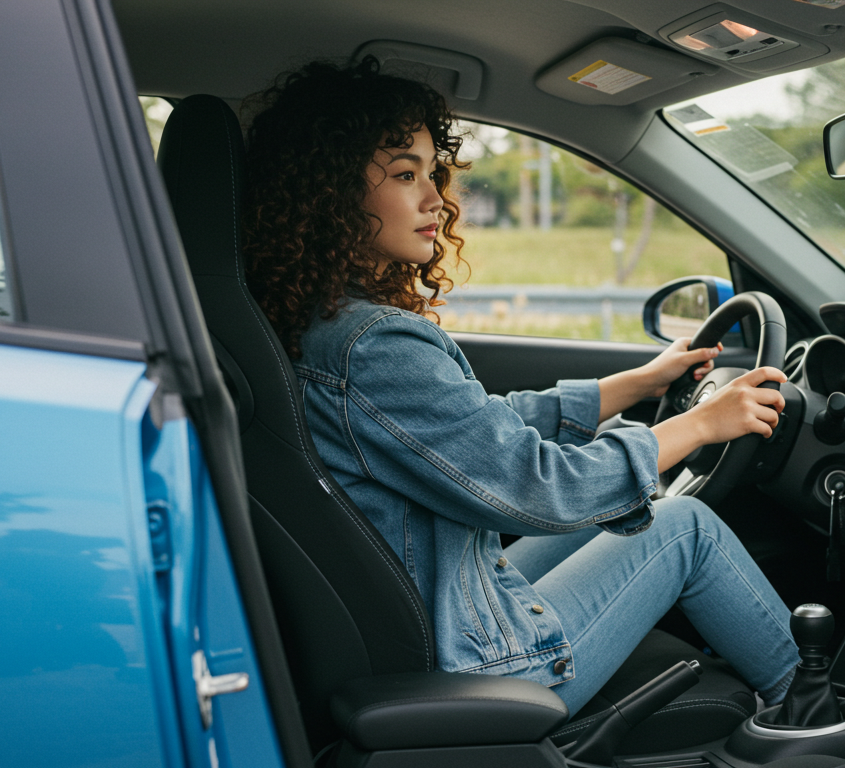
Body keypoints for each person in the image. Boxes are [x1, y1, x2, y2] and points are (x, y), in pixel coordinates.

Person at [243, 59, 799, 716]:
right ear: (332, 194)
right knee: (685, 527)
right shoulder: (374, 344)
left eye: (432, 172)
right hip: (469, 663)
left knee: (644, 509)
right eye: (405, 174)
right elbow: (533, 487)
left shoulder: (315, 325)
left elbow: (471, 431)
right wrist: (700, 424)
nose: (435, 198)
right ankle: (814, 714)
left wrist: (637, 385)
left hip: (430, 616)